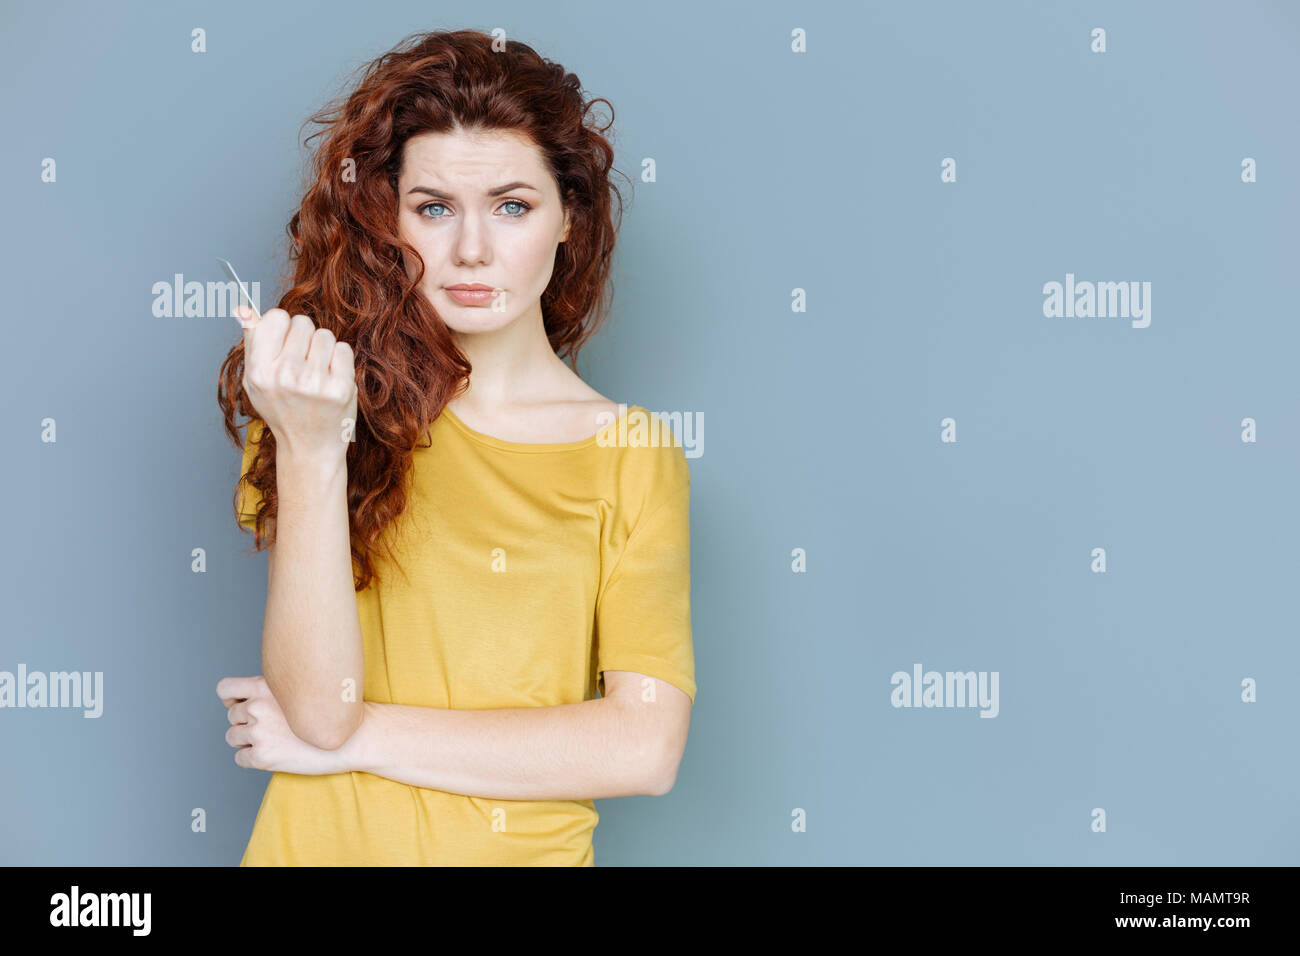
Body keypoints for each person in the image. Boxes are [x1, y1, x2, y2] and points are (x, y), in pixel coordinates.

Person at [213, 29, 695, 866]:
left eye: (512, 205)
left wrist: (362, 740)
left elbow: (642, 749)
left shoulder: (633, 454)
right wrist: (312, 445)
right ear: (386, 218)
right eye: (434, 207)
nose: (472, 249)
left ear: (569, 220)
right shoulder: (321, 410)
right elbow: (317, 707)